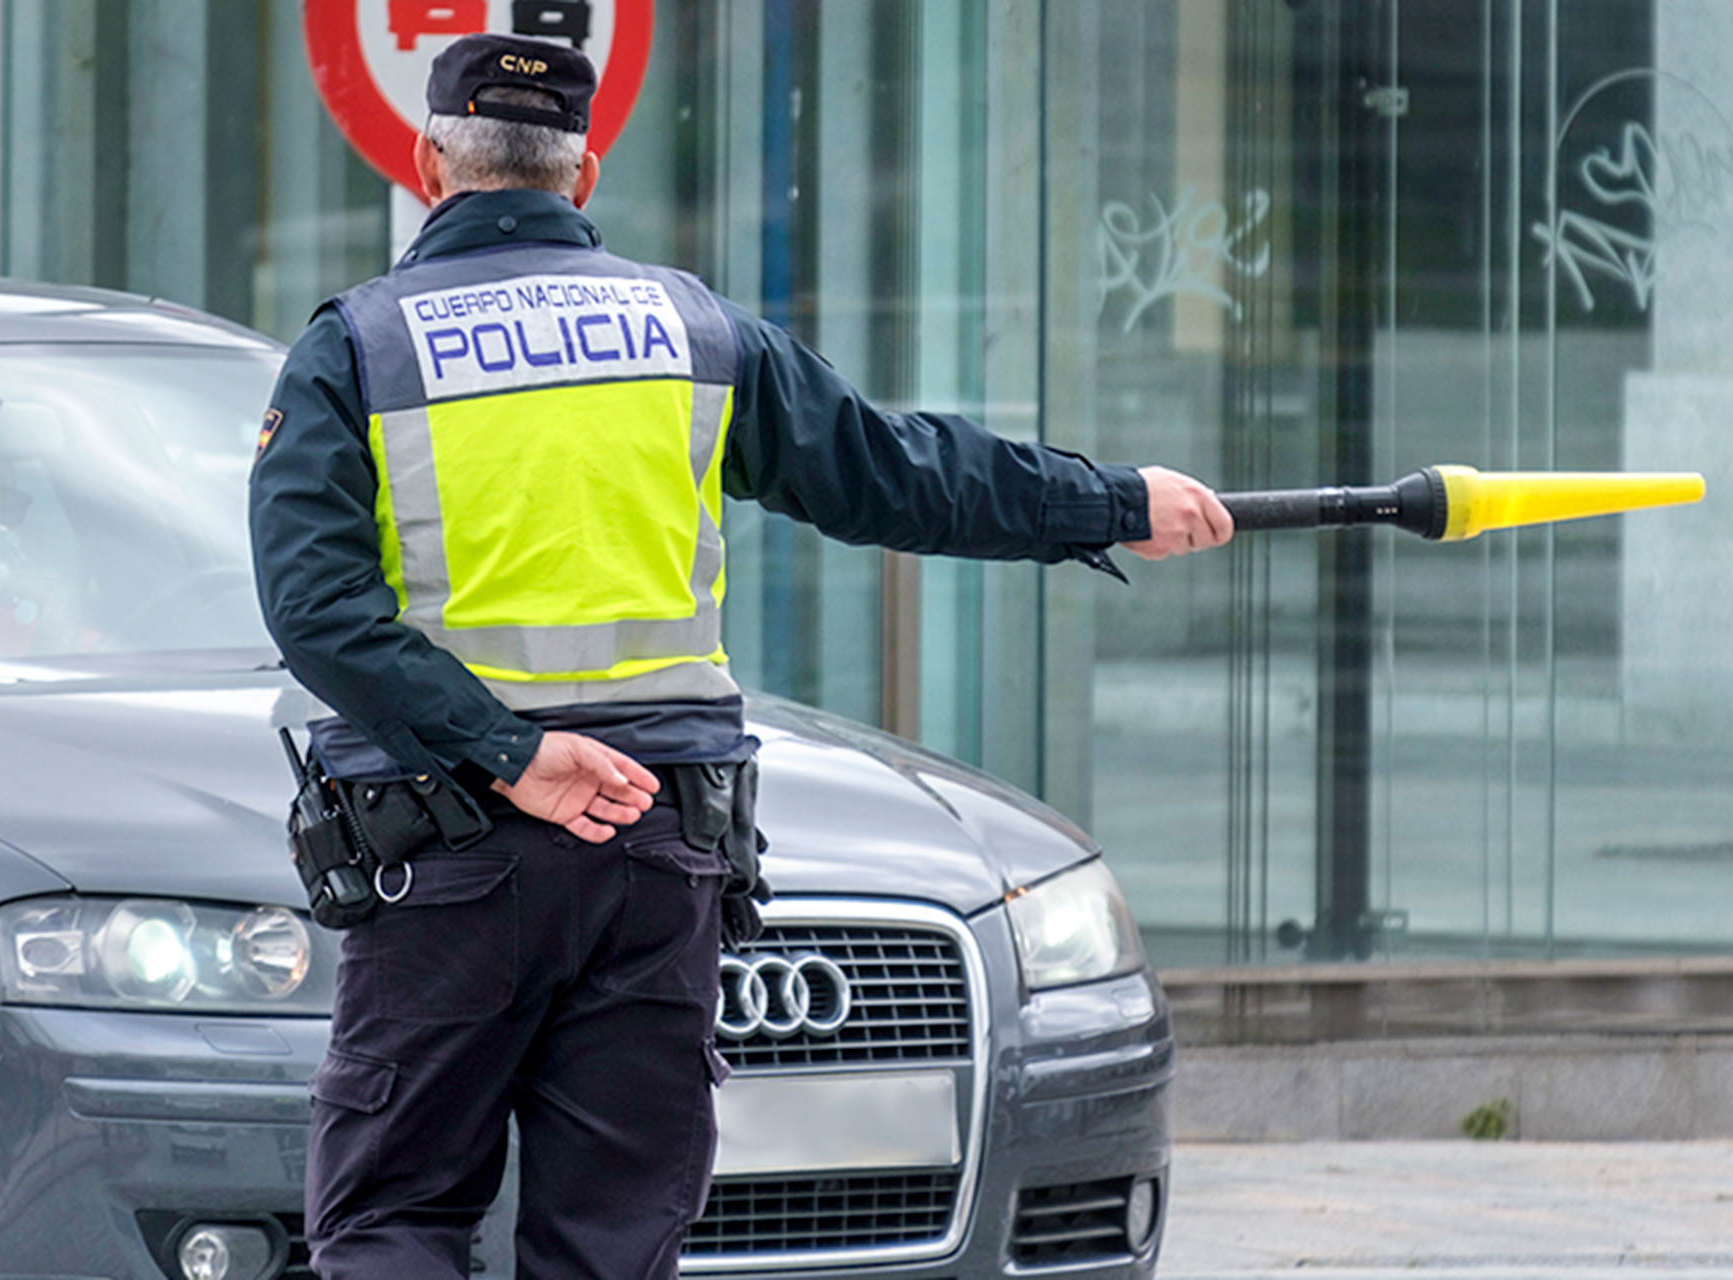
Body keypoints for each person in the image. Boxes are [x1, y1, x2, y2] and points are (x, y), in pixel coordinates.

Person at [248, 30, 1232, 1280]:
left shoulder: (358, 349)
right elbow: (897, 473)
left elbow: (317, 607)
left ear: (432, 160)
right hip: (659, 846)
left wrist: (512, 752)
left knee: (395, 1218)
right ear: (584, 173)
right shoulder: (695, 333)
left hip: (448, 850)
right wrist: (1110, 498)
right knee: (612, 1236)